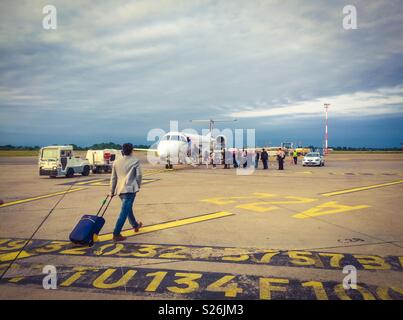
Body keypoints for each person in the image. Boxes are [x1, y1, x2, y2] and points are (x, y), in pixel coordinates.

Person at [109, 143, 143, 242]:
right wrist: (138, 185)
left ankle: (135, 225)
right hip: (130, 190)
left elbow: (113, 178)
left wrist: (111, 191)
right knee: (124, 211)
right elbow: (139, 176)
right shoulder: (135, 161)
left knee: (128, 208)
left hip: (120, 190)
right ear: (132, 151)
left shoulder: (116, 162)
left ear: (122, 151)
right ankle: (116, 233)